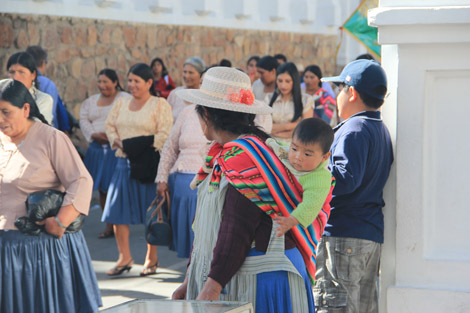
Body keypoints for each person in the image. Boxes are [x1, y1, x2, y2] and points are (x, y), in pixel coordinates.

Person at [172, 67, 325, 313]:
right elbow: (206, 225)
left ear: (208, 115)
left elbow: (237, 227)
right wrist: (190, 278)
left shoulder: (243, 159)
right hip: (248, 271)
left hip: (262, 277)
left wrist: (212, 285)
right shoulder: (233, 152)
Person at [0, 79, 101, 313]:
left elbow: (81, 180)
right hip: (6, 250)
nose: (0, 119)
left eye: (6, 112)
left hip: (40, 251)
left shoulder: (51, 138)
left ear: (26, 109)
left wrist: (61, 221)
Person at [313, 60, 393, 313]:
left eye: (339, 88)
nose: (337, 95)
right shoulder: (377, 128)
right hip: (367, 234)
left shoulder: (354, 129)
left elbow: (345, 180)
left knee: (333, 305)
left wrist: (312, 172)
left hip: (343, 234)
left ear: (352, 92)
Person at [103, 63, 172, 276]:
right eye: (130, 80)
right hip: (123, 164)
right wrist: (121, 144)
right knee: (117, 212)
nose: (132, 85)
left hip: (147, 165)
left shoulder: (160, 105)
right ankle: (124, 257)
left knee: (150, 213)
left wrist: (135, 146)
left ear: (149, 83)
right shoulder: (121, 103)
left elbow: (164, 134)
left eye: (137, 81)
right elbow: (109, 126)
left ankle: (151, 258)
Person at [80, 68, 130, 238]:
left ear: (115, 82)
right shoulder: (90, 101)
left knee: (114, 187)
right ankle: (109, 223)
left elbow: (129, 119)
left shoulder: (124, 99)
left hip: (115, 150)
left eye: (106, 82)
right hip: (96, 150)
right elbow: (84, 119)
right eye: (100, 82)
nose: (102, 85)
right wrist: (93, 134)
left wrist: (113, 137)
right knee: (102, 188)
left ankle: (117, 222)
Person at [266, 118, 334, 237]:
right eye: (294, 148)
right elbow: (276, 147)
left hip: (294, 228)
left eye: (307, 154)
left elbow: (311, 204)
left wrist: (292, 220)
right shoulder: (286, 155)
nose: (298, 157)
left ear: (324, 157)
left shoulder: (320, 177)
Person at [267, 62, 314, 144]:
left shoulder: (306, 100)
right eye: (280, 81)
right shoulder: (268, 98)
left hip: (294, 147)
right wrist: (290, 126)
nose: (283, 85)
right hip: (270, 145)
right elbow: (265, 127)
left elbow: (304, 130)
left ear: (295, 81)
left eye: (287, 81)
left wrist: (275, 130)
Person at [4, 52, 53, 125]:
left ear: (33, 75)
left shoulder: (43, 100)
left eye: (21, 72)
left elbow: (36, 128)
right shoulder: (2, 98)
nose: (15, 77)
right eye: (12, 72)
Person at [167, 57, 205, 122]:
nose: (187, 76)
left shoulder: (204, 97)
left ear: (200, 75)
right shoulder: (175, 94)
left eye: (191, 73)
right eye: (185, 72)